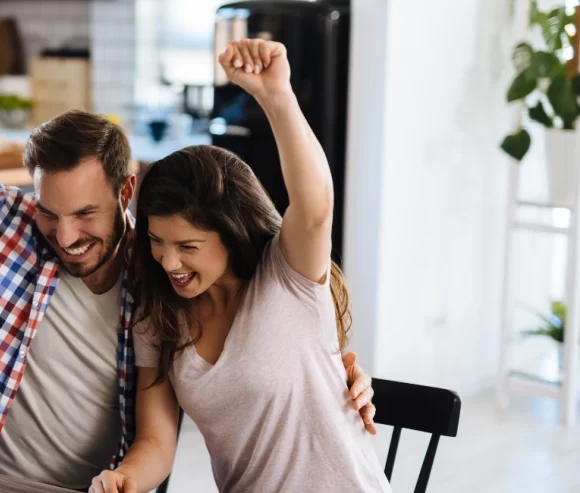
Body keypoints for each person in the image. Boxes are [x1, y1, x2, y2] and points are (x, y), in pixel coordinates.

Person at [0, 1, 378, 490]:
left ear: (125, 191)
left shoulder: (156, 289)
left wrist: (333, 374)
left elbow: (307, 226)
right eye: (49, 212)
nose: (65, 236)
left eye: (86, 214)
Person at [87, 40, 392, 493]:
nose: (169, 261)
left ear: (229, 232)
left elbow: (314, 207)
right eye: (156, 241)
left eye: (188, 246)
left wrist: (276, 96)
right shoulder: (160, 319)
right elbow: (156, 440)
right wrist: (123, 479)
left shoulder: (286, 276)